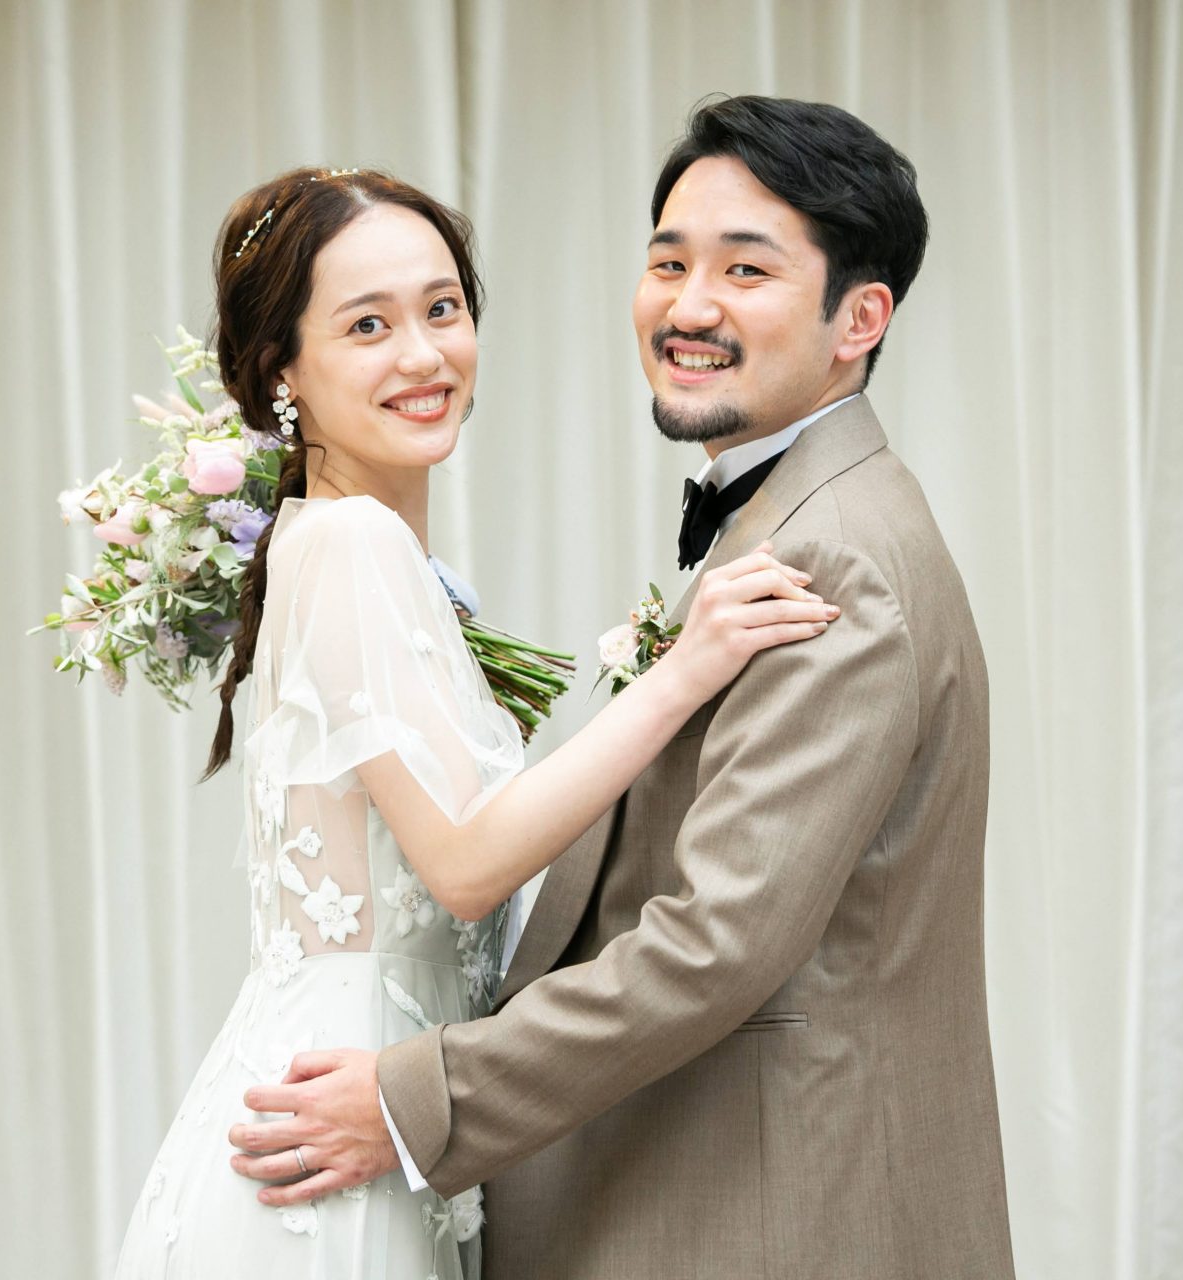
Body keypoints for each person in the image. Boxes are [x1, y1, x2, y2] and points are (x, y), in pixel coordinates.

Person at [232, 98, 1016, 1279]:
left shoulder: (834, 551)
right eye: (669, 262)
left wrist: (414, 1098)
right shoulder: (790, 520)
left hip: (786, 1215)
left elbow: (716, 941)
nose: (689, 306)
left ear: (860, 317)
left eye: (745, 269)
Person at [111, 165, 834, 1278]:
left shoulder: (365, 550)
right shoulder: (349, 544)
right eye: (367, 325)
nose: (423, 355)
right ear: (281, 368)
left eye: (442, 308)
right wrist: (684, 672)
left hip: (380, 1110)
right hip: (337, 1129)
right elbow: (462, 863)